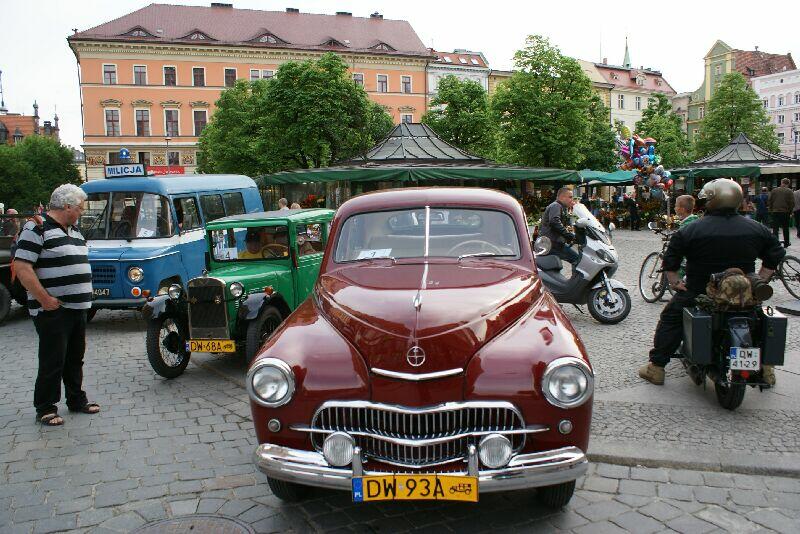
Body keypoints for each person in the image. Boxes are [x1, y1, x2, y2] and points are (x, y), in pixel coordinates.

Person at [638, 179, 785, 387]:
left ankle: (657, 367)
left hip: (699, 289)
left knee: (671, 318)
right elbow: (776, 253)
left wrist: (675, 281)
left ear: (711, 200)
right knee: (758, 320)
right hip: (742, 293)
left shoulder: (692, 229)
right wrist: (760, 278)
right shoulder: (756, 228)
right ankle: (767, 367)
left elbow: (671, 257)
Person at [13, 184, 99, 426]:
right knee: (53, 359)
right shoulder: (37, 228)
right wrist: (45, 299)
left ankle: (76, 399)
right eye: (80, 208)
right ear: (67, 206)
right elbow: (22, 267)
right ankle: (46, 407)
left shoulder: (75, 231)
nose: (82, 212)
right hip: (53, 309)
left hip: (77, 308)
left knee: (74, 358)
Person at [539, 187, 579, 265]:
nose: (572, 200)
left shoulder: (560, 207)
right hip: (553, 244)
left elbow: (562, 222)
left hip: (553, 242)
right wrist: (569, 235)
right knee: (577, 259)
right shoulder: (556, 206)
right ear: (562, 197)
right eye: (570, 197)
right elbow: (555, 222)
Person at [768, 178, 795, 247]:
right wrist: (790, 211)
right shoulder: (789, 191)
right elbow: (792, 203)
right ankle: (786, 243)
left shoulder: (774, 190)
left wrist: (771, 210)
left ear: (781, 182)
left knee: (775, 228)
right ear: (788, 184)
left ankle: (775, 243)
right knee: (785, 228)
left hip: (775, 212)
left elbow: (770, 201)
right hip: (785, 212)